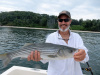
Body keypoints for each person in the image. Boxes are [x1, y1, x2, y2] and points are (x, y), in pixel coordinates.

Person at [27, 10, 89, 75]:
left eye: (66, 20)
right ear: (58, 21)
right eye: (60, 20)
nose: (63, 22)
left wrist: (83, 55)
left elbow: (86, 58)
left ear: (70, 21)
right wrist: (37, 57)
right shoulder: (51, 37)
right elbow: (45, 59)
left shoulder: (77, 37)